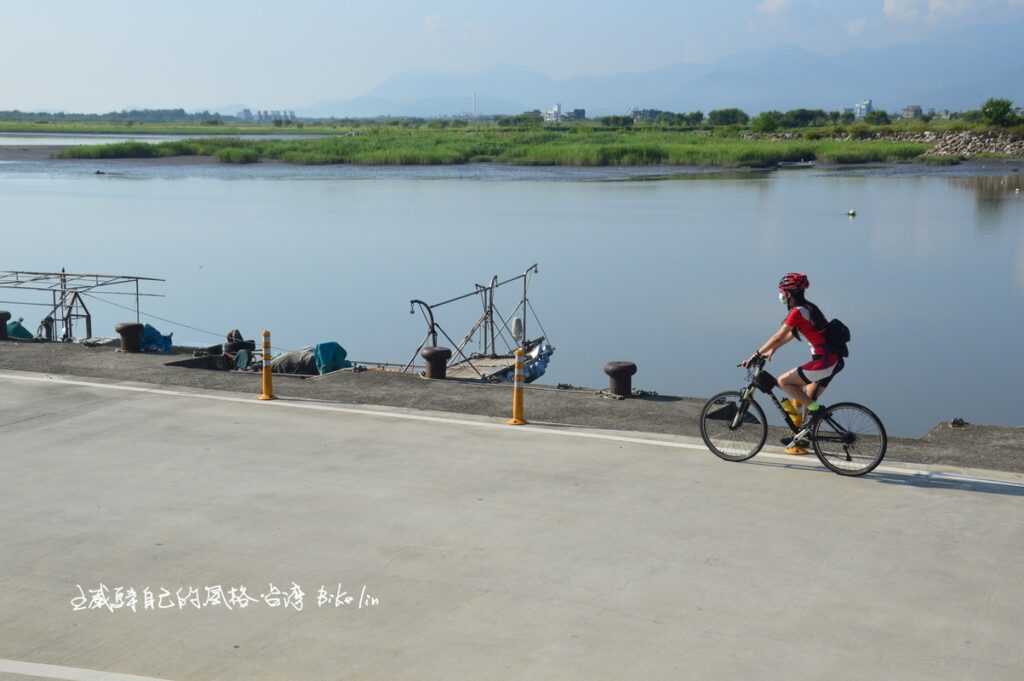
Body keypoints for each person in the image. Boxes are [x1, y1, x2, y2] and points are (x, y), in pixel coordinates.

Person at [741, 272, 844, 454]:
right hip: (832, 359)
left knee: (784, 382)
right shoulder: (808, 308)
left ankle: (816, 413)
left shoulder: (797, 312)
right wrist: (773, 349)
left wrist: (755, 354)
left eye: (781, 291)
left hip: (824, 362)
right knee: (806, 398)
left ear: (788, 293)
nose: (780, 295)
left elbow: (778, 335)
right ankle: (802, 440)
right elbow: (791, 334)